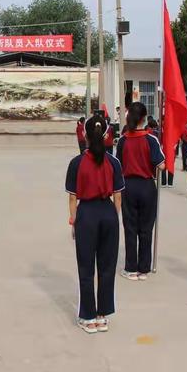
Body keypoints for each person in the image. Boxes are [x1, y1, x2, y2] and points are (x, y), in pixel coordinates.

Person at [65, 115, 124, 334]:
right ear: (107, 134)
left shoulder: (77, 162)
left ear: (85, 135)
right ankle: (102, 315)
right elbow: (118, 196)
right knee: (107, 267)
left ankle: (88, 317)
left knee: (86, 267)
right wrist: (113, 217)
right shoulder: (113, 162)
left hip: (87, 214)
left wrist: (74, 221)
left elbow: (73, 198)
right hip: (108, 213)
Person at [116, 102, 165, 281]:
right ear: (144, 118)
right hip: (146, 186)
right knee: (146, 228)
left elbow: (117, 164)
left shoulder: (123, 140)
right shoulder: (151, 139)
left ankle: (131, 268)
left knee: (130, 228)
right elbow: (162, 164)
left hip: (128, 186)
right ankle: (144, 268)